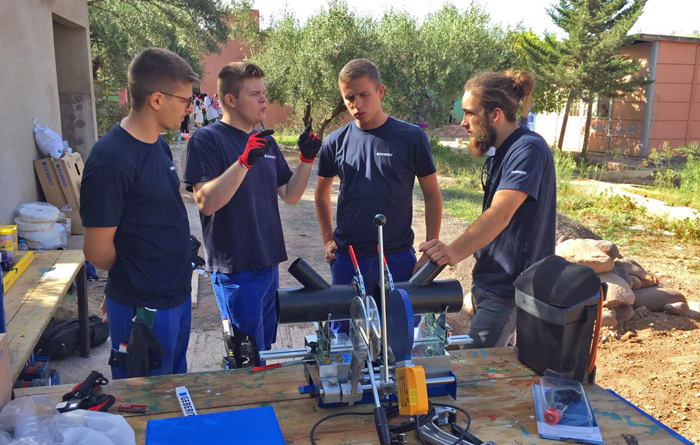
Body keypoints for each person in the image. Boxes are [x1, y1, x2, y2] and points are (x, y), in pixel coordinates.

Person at [184, 62, 321, 365]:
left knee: (264, 349)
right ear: (230, 100)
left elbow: (291, 195)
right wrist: (243, 162)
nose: (264, 100)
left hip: (267, 262)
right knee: (245, 358)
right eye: (254, 94)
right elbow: (205, 201)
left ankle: (261, 405)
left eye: (264, 93)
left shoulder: (265, 141)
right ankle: (247, 406)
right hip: (235, 269)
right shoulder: (207, 140)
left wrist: (306, 159)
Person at [80, 47, 198, 379]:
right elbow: (97, 251)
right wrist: (126, 283)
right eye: (184, 100)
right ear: (157, 99)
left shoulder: (157, 143)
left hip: (174, 296)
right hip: (142, 307)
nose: (190, 108)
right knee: (144, 400)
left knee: (173, 385)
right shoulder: (110, 159)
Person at [419, 70, 556, 348]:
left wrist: (453, 251)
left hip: (509, 289)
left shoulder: (528, 149)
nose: (463, 122)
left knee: (475, 370)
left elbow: (500, 213)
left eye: (470, 113)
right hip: (489, 281)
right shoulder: (501, 150)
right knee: (496, 370)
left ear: (494, 114)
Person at [314, 58, 442, 327]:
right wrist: (327, 239)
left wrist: (430, 249)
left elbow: (432, 195)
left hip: (396, 257)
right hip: (348, 260)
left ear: (380, 91)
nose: (356, 105)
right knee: (346, 343)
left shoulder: (411, 137)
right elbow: (321, 193)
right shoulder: (334, 141)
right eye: (349, 98)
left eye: (364, 95)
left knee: (399, 338)